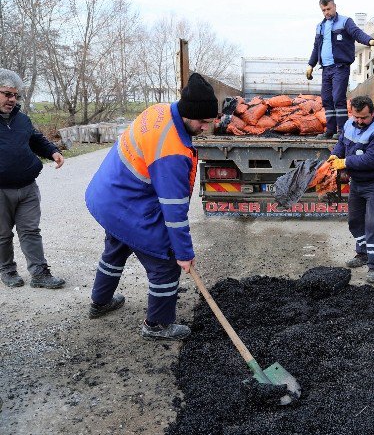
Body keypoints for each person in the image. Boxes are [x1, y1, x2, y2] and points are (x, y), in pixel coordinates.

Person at [85, 73, 218, 341]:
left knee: (117, 246)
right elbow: (174, 211)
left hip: (108, 193)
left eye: (210, 121)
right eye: (202, 122)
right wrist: (183, 253)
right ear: (188, 113)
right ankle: (157, 325)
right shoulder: (173, 152)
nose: (206, 127)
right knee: (166, 262)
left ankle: (100, 302)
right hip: (125, 202)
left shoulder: (160, 111)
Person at [0, 68, 66, 289]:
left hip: (27, 187)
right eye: (7, 94)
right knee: (2, 235)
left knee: (30, 231)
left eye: (15, 95)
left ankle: (39, 274)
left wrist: (52, 152)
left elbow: (36, 139)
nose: (12, 100)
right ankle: (8, 271)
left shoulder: (21, 119)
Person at [329, 95, 374, 283]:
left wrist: (345, 162)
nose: (359, 121)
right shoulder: (350, 123)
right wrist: (335, 155)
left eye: (364, 118)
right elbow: (342, 142)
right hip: (357, 182)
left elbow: (371, 160)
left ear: (372, 112)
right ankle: (363, 254)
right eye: (356, 117)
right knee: (355, 221)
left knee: (373, 224)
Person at [307, 0, 374, 139]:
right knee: (326, 99)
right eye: (323, 10)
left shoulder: (345, 22)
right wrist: (310, 64)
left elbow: (356, 33)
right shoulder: (320, 27)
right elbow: (316, 47)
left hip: (340, 67)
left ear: (334, 6)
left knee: (338, 98)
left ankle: (342, 131)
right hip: (326, 68)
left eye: (328, 8)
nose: (326, 12)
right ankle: (330, 131)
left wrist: (369, 40)